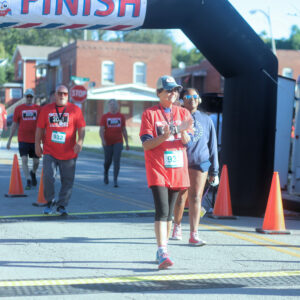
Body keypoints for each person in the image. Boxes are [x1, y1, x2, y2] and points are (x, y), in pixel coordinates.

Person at [139, 75, 193, 269]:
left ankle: (163, 249)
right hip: (158, 168)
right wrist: (165, 136)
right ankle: (162, 251)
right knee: (161, 211)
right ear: (158, 93)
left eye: (175, 90)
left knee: (170, 214)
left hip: (177, 169)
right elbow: (146, 144)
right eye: (168, 90)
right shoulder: (150, 114)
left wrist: (184, 132)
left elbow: (188, 142)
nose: (173, 93)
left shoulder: (184, 113)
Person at [171, 88, 219, 246]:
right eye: (188, 96)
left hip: (200, 163)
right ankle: (177, 226)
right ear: (182, 100)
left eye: (195, 96)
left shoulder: (207, 119)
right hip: (181, 162)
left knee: (196, 197)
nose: (192, 99)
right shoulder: (176, 116)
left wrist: (214, 171)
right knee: (180, 198)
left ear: (199, 100)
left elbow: (212, 146)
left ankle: (194, 233)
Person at [35, 85, 86, 216]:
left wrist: (80, 141)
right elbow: (40, 129)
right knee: (48, 176)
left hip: (69, 152)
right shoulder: (46, 109)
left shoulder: (75, 110)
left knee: (67, 180)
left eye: (65, 93)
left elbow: (81, 128)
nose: (62, 96)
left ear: (67, 95)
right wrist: (37, 145)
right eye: (59, 93)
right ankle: (49, 202)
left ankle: (62, 205)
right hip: (49, 151)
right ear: (55, 95)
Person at [7, 89, 40, 189]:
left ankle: (33, 172)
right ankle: (28, 179)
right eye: (27, 96)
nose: (29, 98)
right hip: (23, 139)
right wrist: (9, 140)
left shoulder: (38, 109)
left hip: (35, 140)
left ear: (33, 97)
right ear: (25, 97)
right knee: (24, 160)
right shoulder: (19, 108)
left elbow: (43, 124)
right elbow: (14, 125)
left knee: (36, 162)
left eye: (31, 96)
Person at [99, 99, 129, 187]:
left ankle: (115, 180)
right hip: (107, 142)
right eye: (111, 105)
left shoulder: (121, 116)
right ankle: (106, 173)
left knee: (117, 160)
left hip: (118, 141)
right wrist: (103, 140)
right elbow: (101, 130)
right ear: (108, 106)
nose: (112, 106)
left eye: (114, 104)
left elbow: (124, 130)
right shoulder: (105, 116)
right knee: (108, 161)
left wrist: (127, 143)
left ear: (117, 106)